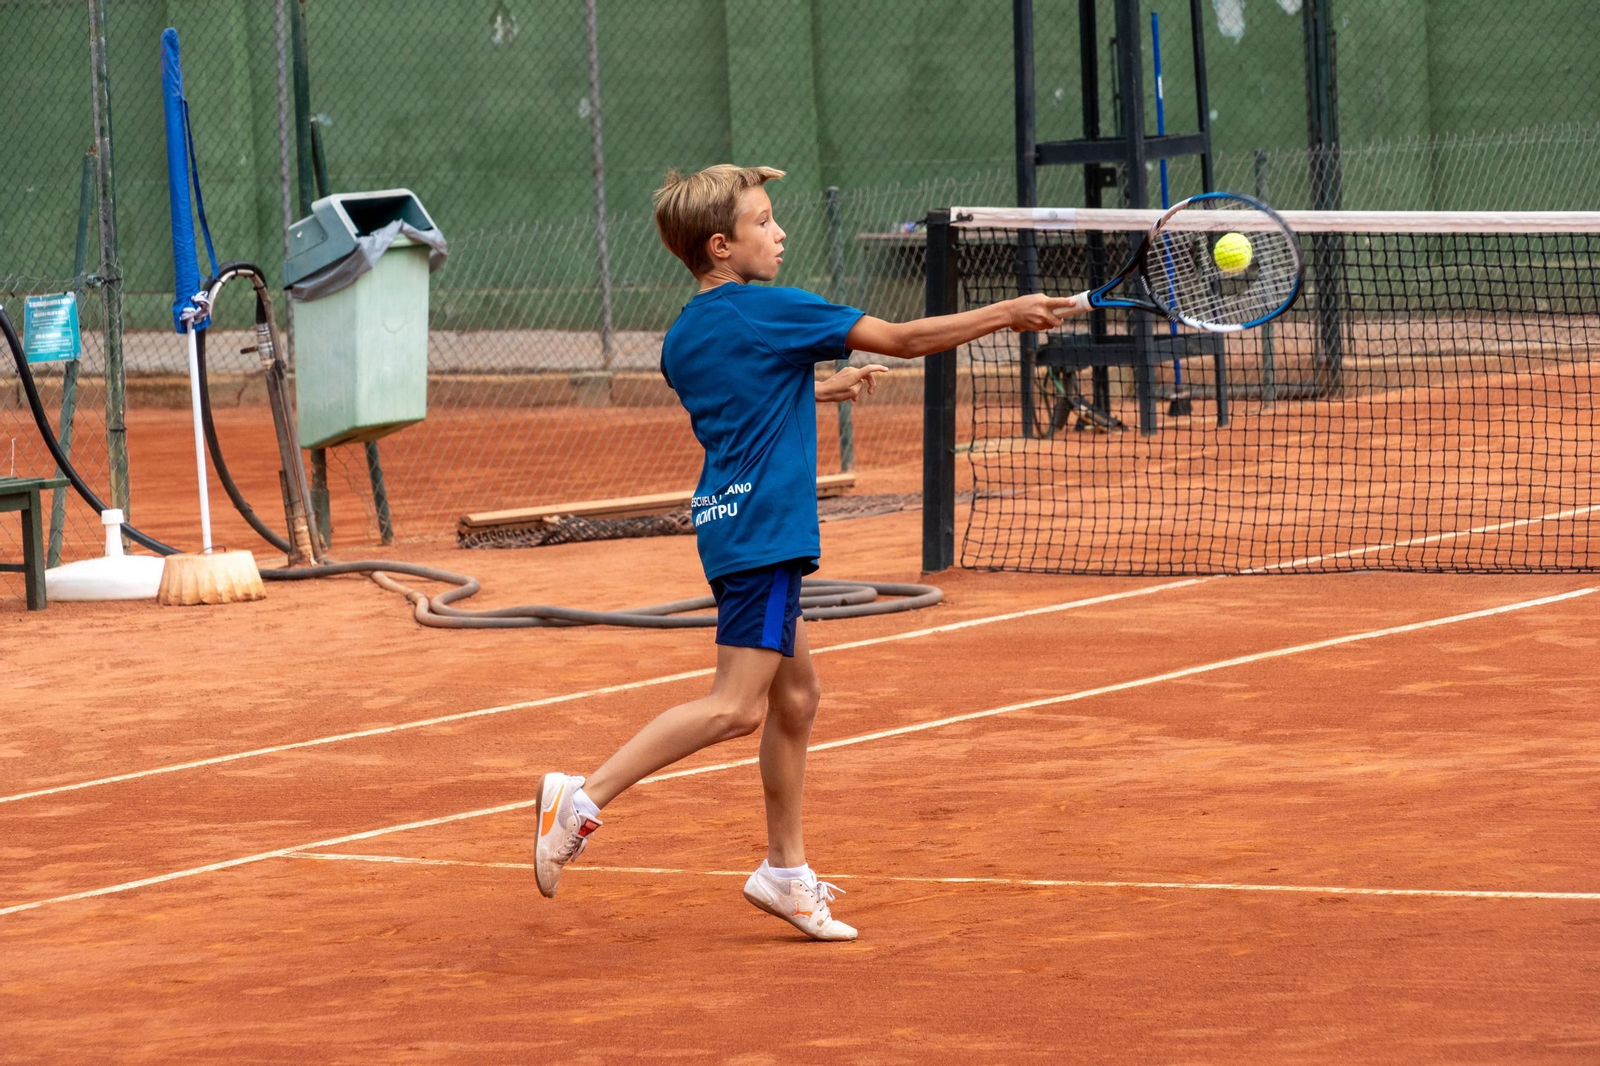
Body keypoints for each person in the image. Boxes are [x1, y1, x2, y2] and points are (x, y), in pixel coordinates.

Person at [535, 164, 1078, 940]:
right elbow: (903, 338)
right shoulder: (772, 311)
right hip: (763, 532)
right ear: (721, 246)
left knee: (795, 700)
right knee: (735, 706)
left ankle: (784, 873)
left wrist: (817, 390)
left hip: (731, 525)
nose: (779, 232)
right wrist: (1006, 312)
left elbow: (739, 394)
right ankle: (581, 799)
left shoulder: (682, 338)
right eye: (762, 221)